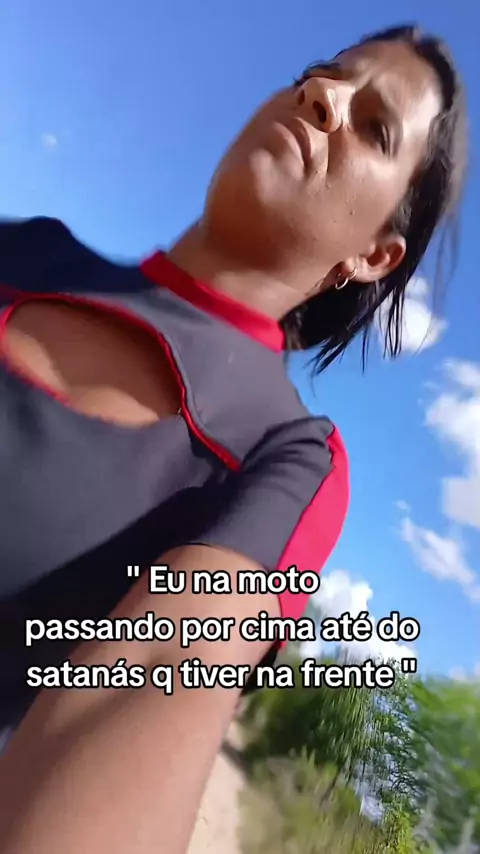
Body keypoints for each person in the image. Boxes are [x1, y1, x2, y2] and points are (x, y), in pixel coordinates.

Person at [0, 22, 467, 854]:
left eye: (374, 127)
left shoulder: (285, 460)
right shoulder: (23, 246)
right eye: (322, 75)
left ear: (373, 255)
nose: (321, 97)